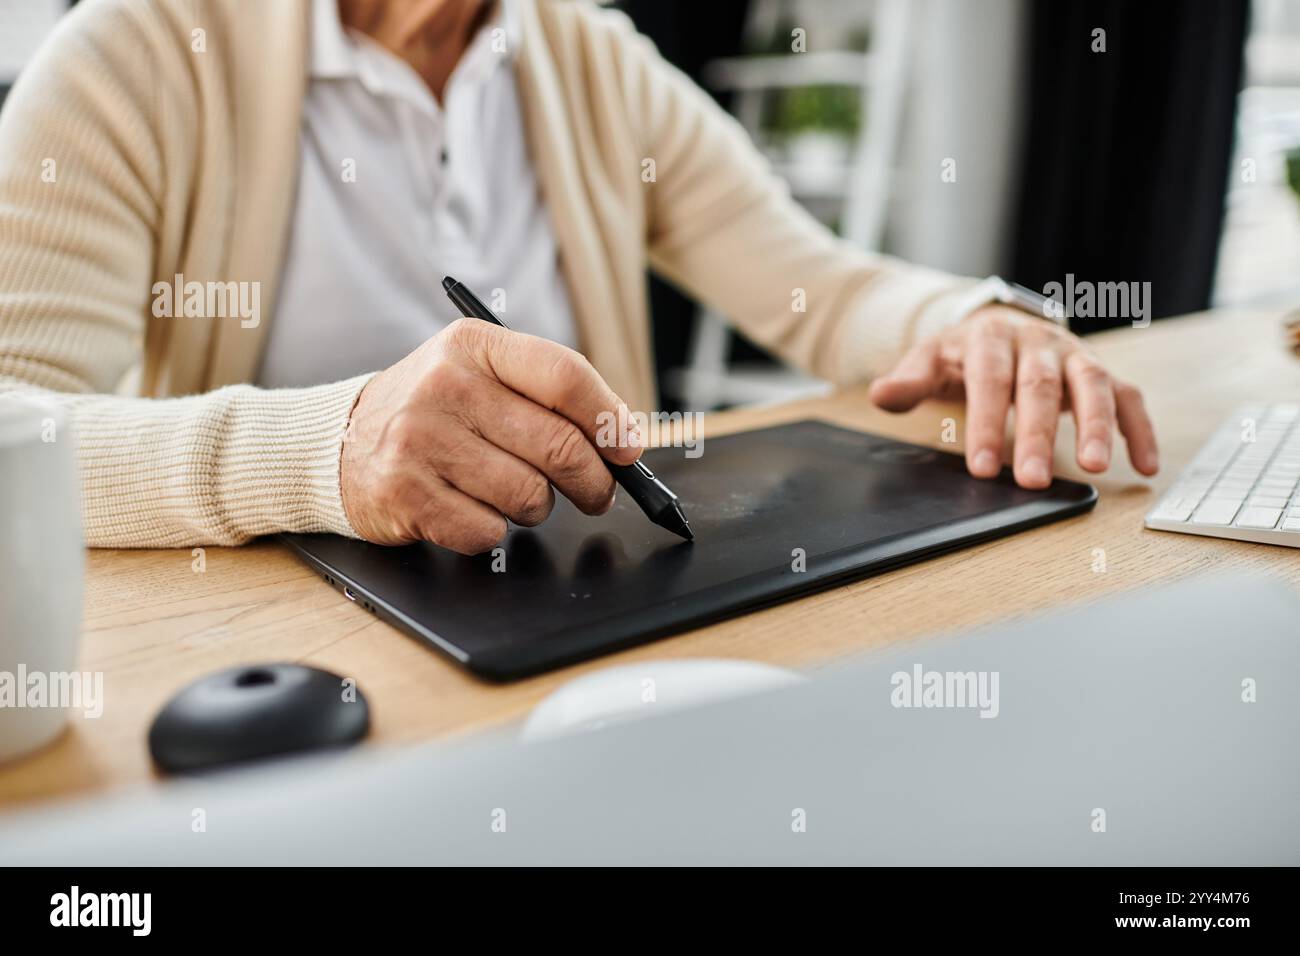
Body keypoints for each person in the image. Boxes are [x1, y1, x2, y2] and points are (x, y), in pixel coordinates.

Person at [0, 0, 1158, 554]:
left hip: (584, 620)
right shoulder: (136, 51)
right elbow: (16, 425)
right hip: (298, 674)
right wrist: (327, 449)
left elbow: (823, 290)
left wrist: (975, 316)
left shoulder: (587, 56)